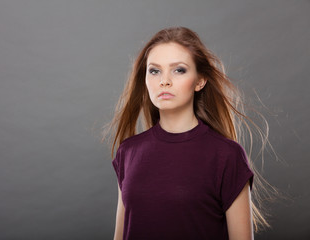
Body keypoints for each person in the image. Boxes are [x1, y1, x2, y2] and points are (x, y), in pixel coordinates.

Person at [103, 26, 275, 240]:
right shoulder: (128, 152)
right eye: (154, 70)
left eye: (179, 70)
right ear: (145, 79)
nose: (164, 81)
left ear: (200, 81)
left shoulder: (227, 156)